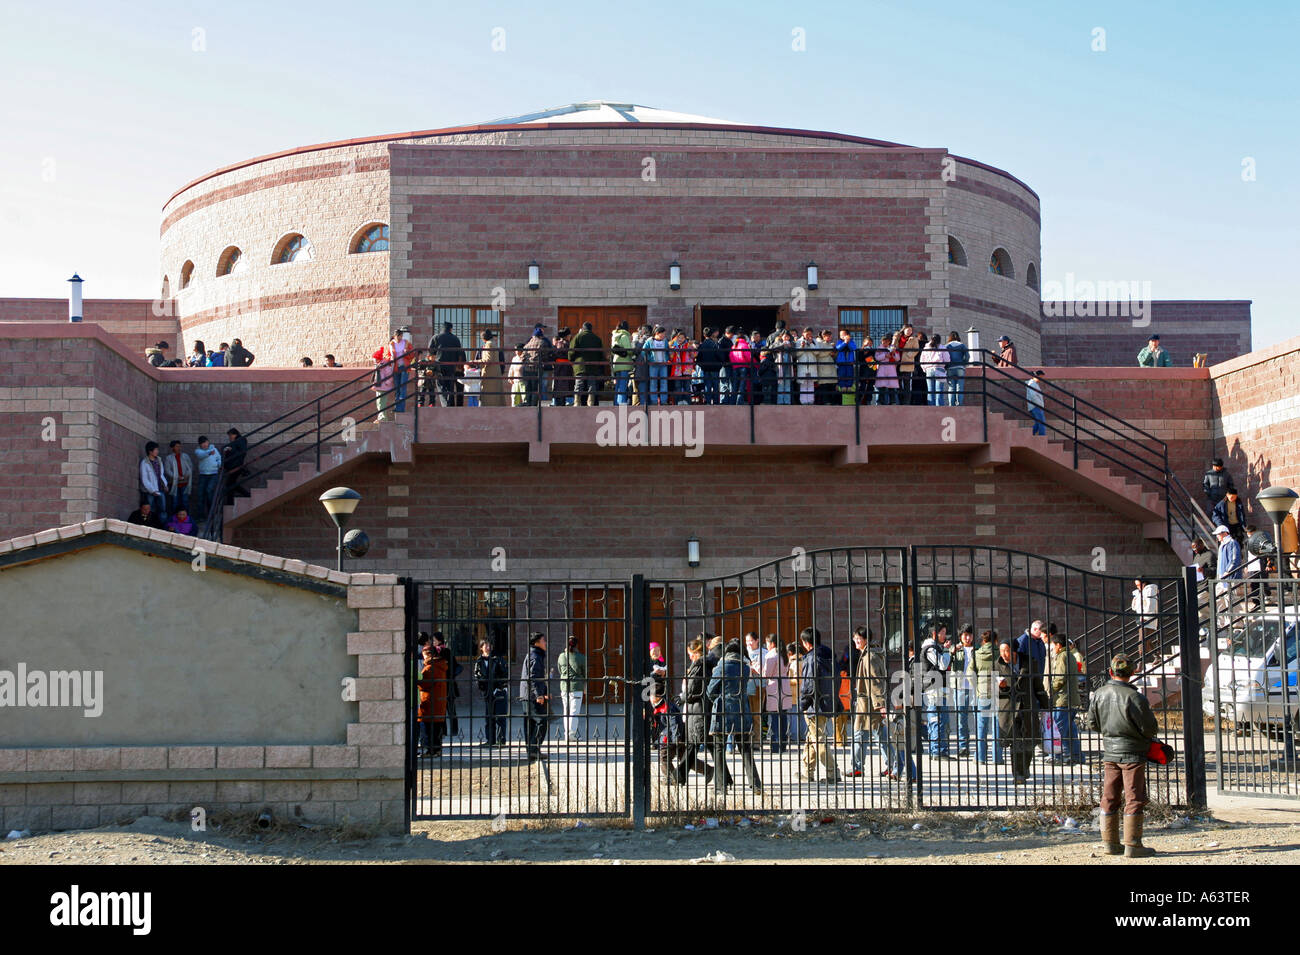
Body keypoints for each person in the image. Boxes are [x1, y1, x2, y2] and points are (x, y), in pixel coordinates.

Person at [1086, 652, 1160, 857]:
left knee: (1109, 796)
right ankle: (1133, 845)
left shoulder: (1099, 693)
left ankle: (1110, 843)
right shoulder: (1136, 697)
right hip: (1133, 754)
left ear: (1111, 671)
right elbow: (1150, 728)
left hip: (1110, 752)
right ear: (1133, 672)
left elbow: (1092, 723)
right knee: (1134, 797)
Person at [706, 638, 762, 794]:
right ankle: (756, 784)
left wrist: (717, 699)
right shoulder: (745, 668)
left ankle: (720, 787)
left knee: (719, 749)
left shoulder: (721, 667)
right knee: (745, 749)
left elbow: (711, 690)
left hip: (723, 710)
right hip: (741, 709)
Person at [798, 627, 841, 783]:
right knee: (812, 738)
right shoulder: (829, 656)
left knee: (818, 739)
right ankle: (807, 772)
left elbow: (809, 684)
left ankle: (832, 772)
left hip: (814, 704)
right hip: (827, 701)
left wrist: (802, 703)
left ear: (806, 643)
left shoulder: (811, 658)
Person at [675, 637, 716, 784]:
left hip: (698, 709)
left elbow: (693, 689)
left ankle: (678, 776)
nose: (689, 657)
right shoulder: (701, 664)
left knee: (694, 743)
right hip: (698, 709)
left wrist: (683, 697)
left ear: (696, 653)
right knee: (706, 745)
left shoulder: (700, 666)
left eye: (691, 654)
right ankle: (722, 776)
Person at [850, 628, 888, 776]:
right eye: (855, 638)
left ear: (866, 639)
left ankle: (894, 766)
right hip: (865, 703)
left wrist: (880, 705)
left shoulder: (869, 657)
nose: (856, 641)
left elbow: (876, 682)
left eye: (859, 638)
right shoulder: (866, 655)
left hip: (870, 704)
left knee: (877, 736)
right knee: (863, 735)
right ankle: (857, 767)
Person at [996, 637, 1034, 783]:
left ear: (1014, 651)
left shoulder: (1029, 662)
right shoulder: (997, 665)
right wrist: (1003, 687)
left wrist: (1044, 705)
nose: (1003, 654)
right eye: (1001, 651)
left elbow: (1037, 685)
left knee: (1029, 742)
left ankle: (1024, 767)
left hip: (1028, 706)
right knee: (1016, 742)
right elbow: (993, 690)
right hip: (1009, 709)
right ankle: (1017, 774)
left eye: (1006, 651)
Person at [1047, 631, 1085, 765]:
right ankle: (1076, 755)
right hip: (1071, 698)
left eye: (1053, 644)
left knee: (1060, 730)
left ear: (1058, 645)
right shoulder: (1070, 655)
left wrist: (1050, 690)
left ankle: (1062, 755)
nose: (1052, 647)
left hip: (1063, 698)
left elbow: (1060, 677)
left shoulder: (1062, 656)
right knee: (1069, 730)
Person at [416, 639, 450, 758]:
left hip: (429, 703)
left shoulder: (430, 668)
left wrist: (417, 680)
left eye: (424, 655)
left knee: (427, 730)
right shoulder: (441, 666)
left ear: (429, 655)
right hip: (439, 702)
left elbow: (423, 683)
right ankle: (437, 750)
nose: (423, 657)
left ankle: (429, 751)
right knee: (436, 729)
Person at [921, 626, 952, 757]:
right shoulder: (930, 649)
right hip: (933, 688)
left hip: (940, 687)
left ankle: (941, 750)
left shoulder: (934, 648)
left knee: (942, 720)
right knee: (936, 719)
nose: (945, 636)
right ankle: (936, 751)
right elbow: (943, 665)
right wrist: (946, 650)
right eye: (943, 632)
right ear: (934, 633)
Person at [472, 638, 509, 747]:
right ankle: (490, 740)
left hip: (499, 691)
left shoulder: (498, 659)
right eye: (485, 645)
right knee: (489, 717)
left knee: (500, 717)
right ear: (481, 648)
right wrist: (483, 687)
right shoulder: (479, 661)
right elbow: (477, 675)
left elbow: (504, 674)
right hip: (488, 692)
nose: (488, 647)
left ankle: (501, 740)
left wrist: (499, 688)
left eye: (489, 645)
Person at [972, 629, 1002, 764]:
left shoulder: (977, 654)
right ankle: (997, 757)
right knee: (997, 724)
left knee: (981, 725)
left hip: (982, 691)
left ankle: (980, 757)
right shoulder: (999, 653)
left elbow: (970, 672)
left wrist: (977, 686)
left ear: (983, 640)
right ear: (995, 640)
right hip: (997, 692)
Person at [519, 633, 549, 761]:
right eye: (543, 640)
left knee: (530, 723)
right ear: (536, 643)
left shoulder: (532, 654)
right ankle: (534, 749)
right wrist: (539, 695)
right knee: (541, 721)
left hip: (526, 694)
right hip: (532, 696)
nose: (545, 643)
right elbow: (534, 677)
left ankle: (532, 751)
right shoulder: (535, 656)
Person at [950, 625, 977, 756]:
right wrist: (952, 651)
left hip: (975, 687)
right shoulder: (955, 649)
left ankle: (979, 745)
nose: (967, 637)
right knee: (961, 718)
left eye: (969, 635)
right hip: (960, 687)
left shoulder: (977, 650)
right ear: (960, 636)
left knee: (978, 716)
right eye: (965, 635)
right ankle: (963, 746)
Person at [760, 634, 790, 753]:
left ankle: (776, 745)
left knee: (775, 717)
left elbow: (766, 674)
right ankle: (782, 744)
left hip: (775, 686)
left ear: (772, 643)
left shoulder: (771, 655)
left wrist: (757, 667)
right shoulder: (783, 654)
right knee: (783, 717)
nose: (766, 646)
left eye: (767, 643)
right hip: (784, 685)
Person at [556, 636, 587, 742]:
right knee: (574, 711)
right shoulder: (581, 657)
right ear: (576, 645)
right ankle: (571, 734)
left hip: (564, 686)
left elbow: (560, 669)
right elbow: (585, 673)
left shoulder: (561, 656)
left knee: (566, 710)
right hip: (577, 686)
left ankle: (566, 734)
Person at [428, 321, 465, 407]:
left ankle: (445, 405)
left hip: (439, 365)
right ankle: (450, 405)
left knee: (441, 386)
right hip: (451, 366)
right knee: (450, 386)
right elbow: (459, 353)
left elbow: (430, 352)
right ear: (451, 329)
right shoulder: (455, 339)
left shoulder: (436, 337)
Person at [190, 435, 221, 523]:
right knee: (200, 495)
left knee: (209, 491)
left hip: (213, 474)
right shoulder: (198, 451)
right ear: (200, 444)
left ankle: (211, 514)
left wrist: (218, 464)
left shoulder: (214, 449)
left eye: (205, 442)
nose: (204, 444)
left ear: (208, 442)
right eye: (202, 443)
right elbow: (201, 456)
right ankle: (201, 516)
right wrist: (209, 453)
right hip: (203, 475)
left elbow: (219, 458)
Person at [139, 441, 169, 522]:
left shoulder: (159, 460)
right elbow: (144, 479)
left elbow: (161, 475)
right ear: (150, 451)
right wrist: (152, 491)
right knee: (150, 510)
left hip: (160, 490)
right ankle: (151, 526)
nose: (157, 451)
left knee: (163, 510)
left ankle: (162, 527)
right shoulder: (144, 463)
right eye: (156, 450)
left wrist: (165, 485)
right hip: (150, 492)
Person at [1215, 524, 1244, 608]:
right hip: (1221, 578)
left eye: (1218, 534)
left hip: (1229, 578)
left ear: (1225, 533)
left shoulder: (1232, 543)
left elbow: (1234, 560)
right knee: (1219, 601)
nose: (1217, 536)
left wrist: (1227, 571)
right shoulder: (1222, 545)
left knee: (1231, 601)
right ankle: (1222, 621)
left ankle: (1235, 621)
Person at [162, 439, 193, 516]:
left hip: (185, 483)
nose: (179, 448)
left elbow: (190, 467)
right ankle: (174, 518)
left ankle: (186, 518)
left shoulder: (185, 456)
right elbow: (167, 470)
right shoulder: (169, 458)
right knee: (174, 502)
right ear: (173, 448)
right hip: (174, 484)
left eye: (179, 446)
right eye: (177, 446)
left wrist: (186, 475)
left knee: (185, 501)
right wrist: (176, 476)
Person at [643, 326, 670, 405]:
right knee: (653, 383)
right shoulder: (649, 341)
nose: (664, 335)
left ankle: (664, 401)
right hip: (653, 365)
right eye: (662, 334)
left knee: (664, 382)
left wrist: (667, 358)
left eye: (664, 334)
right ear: (657, 333)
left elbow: (668, 351)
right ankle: (654, 401)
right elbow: (643, 351)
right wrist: (650, 359)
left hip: (663, 364)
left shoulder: (665, 341)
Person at [921, 334, 950, 406]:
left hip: (929, 369)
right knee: (939, 390)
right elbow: (947, 360)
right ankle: (939, 407)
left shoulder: (926, 348)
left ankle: (931, 407)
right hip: (939, 368)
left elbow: (922, 360)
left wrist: (925, 369)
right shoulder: (942, 347)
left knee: (930, 390)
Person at [610, 320, 634, 406]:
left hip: (617, 364)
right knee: (623, 385)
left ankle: (616, 403)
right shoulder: (624, 336)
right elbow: (629, 350)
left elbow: (613, 352)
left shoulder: (614, 337)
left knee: (618, 386)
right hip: (625, 364)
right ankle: (622, 403)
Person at [873, 334, 900, 404]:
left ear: (889, 342)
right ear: (881, 341)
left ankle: (892, 401)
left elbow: (898, 358)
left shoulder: (892, 348)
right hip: (882, 369)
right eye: (884, 341)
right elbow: (877, 358)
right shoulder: (879, 348)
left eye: (887, 341)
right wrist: (885, 355)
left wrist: (894, 354)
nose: (885, 343)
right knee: (881, 387)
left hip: (891, 369)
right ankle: (880, 402)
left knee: (892, 387)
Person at [945, 331, 969, 406]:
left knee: (951, 387)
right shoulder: (962, 345)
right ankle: (959, 404)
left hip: (950, 368)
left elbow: (945, 357)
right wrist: (964, 363)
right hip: (960, 368)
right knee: (960, 388)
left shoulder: (947, 346)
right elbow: (967, 356)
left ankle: (951, 405)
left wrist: (946, 366)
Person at [371, 346, 393, 421]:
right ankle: (381, 417)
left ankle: (382, 418)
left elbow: (390, 376)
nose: (374, 360)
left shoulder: (384, 366)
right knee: (379, 403)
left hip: (383, 387)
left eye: (375, 358)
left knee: (381, 403)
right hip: (379, 387)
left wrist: (386, 383)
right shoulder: (378, 366)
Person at [1027, 369, 1047, 436]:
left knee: (1038, 424)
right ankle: (1042, 439)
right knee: (1042, 423)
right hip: (1036, 407)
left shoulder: (1034, 384)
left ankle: (1029, 435)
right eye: (1040, 377)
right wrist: (1040, 405)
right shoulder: (1032, 384)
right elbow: (1033, 396)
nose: (1041, 379)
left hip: (1035, 406)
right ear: (1036, 376)